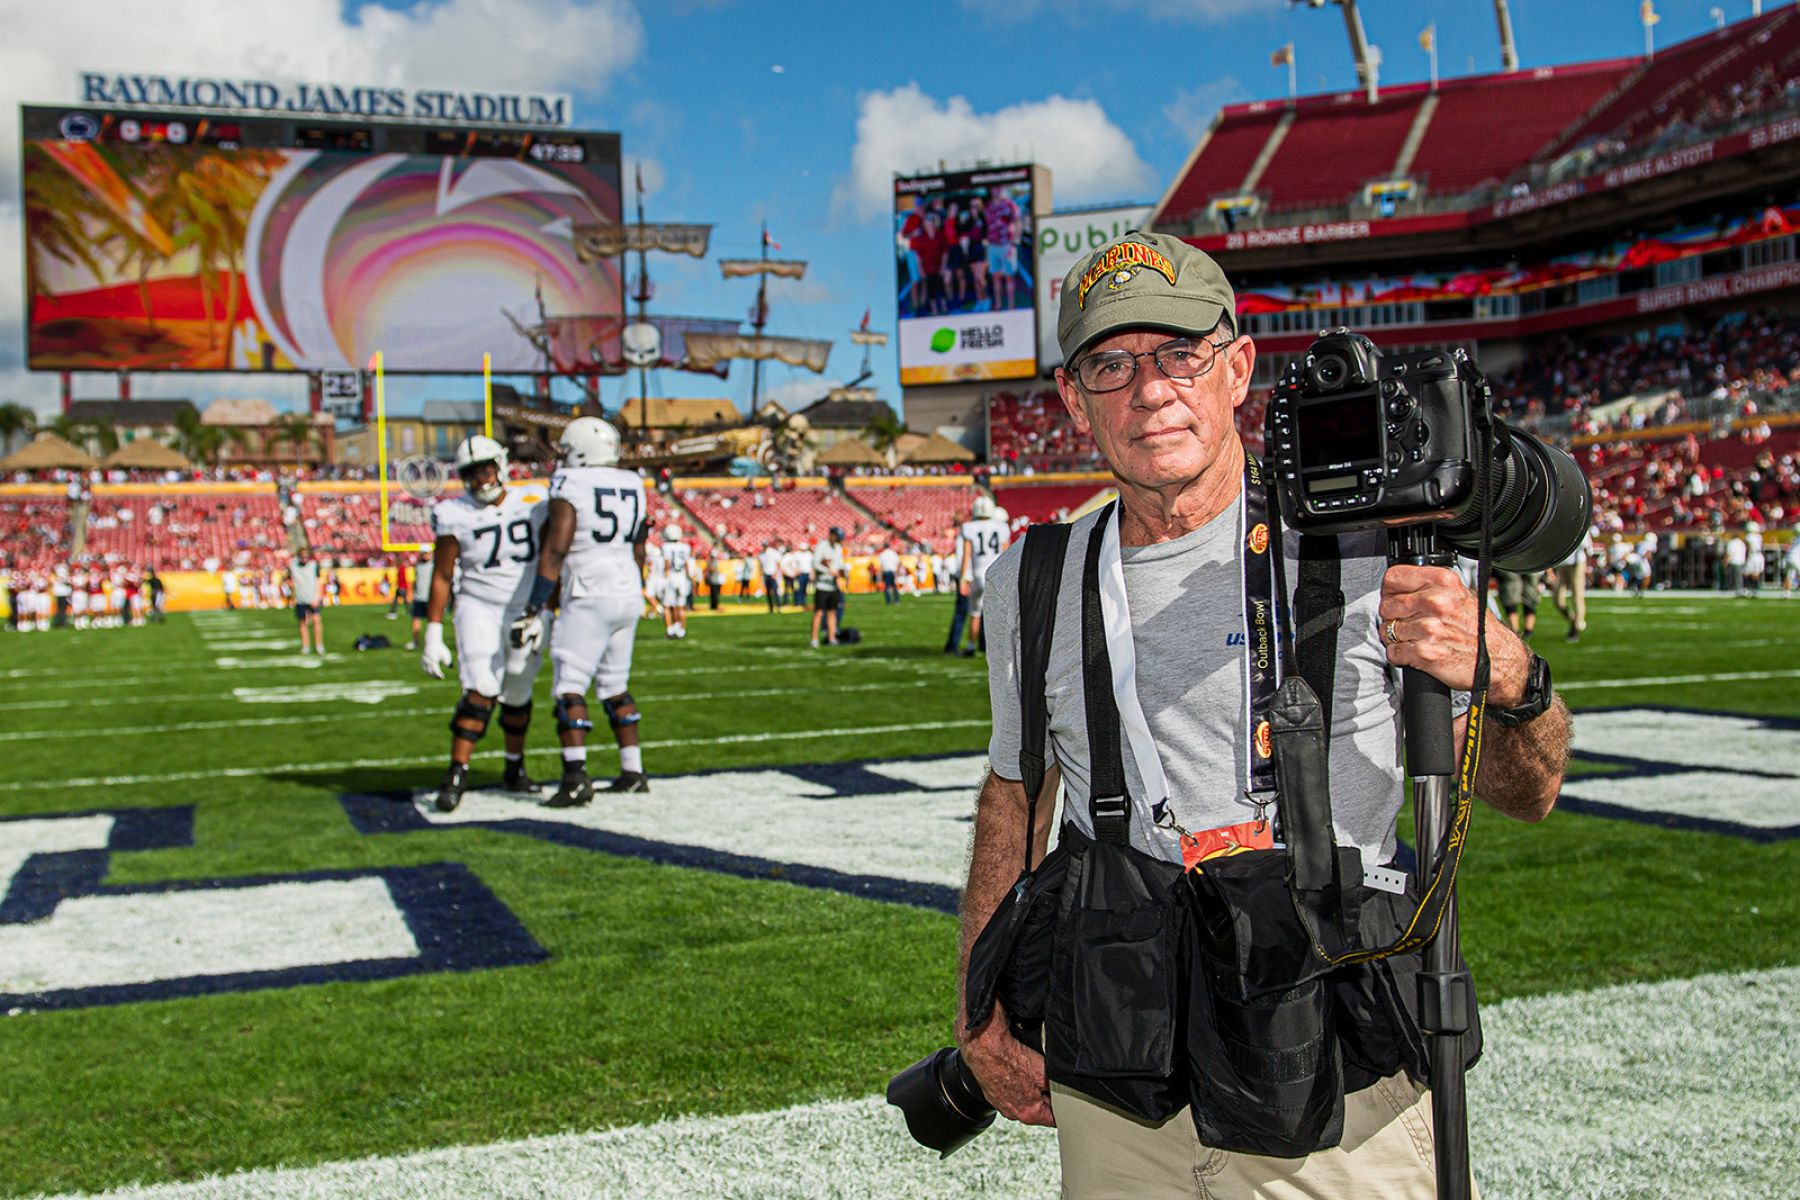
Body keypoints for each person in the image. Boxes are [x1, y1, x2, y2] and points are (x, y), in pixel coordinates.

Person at [957, 231, 1570, 1197]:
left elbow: (1529, 794)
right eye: (1110, 364)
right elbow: (1015, 795)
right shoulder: (1029, 581)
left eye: (1179, 355)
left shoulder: (1366, 547)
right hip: (1122, 1061)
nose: (1149, 389)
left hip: (1329, 1058)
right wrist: (978, 1005)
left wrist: (1511, 677)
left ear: (1236, 368)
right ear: (1073, 401)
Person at [509, 416, 651, 803]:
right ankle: (633, 770)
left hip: (589, 590)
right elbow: (639, 545)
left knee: (569, 685)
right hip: (627, 588)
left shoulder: (571, 483)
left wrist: (534, 606)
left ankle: (575, 777)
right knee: (615, 685)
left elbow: (556, 547)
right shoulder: (633, 483)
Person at [419, 435, 550, 812]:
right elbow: (442, 575)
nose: (481, 478)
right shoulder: (453, 512)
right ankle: (457, 771)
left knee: (519, 690)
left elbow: (555, 553)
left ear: (502, 465)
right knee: (481, 687)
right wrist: (432, 632)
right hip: (478, 607)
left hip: (524, 609)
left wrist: (545, 609)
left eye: (487, 468)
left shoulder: (535, 501)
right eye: (472, 472)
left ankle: (514, 768)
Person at [957, 494, 1011, 655]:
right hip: (996, 574)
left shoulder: (969, 527)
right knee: (998, 614)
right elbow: (1007, 553)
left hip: (978, 574)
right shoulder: (1001, 527)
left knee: (975, 613)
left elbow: (966, 555)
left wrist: (963, 578)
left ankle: (971, 647)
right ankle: (998, 647)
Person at [1549, 526, 1591, 643]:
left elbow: (1587, 548)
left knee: (1577, 597)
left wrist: (1586, 567)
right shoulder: (1560, 524)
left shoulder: (1580, 524)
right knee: (1557, 600)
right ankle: (1574, 620)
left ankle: (1575, 630)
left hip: (1577, 564)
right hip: (1562, 565)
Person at [810, 526, 848, 648]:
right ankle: (814, 639)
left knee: (832, 613)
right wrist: (829, 571)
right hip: (822, 586)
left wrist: (842, 572)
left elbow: (839, 564)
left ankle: (832, 638)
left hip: (833, 586)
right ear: (831, 535)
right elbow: (815, 563)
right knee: (819, 613)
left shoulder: (838, 548)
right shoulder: (822, 546)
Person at [659, 525, 692, 638]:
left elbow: (667, 565)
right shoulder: (686, 547)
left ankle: (670, 630)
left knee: (667, 606)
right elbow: (687, 566)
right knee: (681, 606)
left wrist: (664, 579)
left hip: (671, 576)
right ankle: (681, 629)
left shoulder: (666, 546)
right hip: (682, 577)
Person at [289, 550, 325, 654]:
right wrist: (293, 596)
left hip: (312, 597)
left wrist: (317, 597)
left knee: (316, 620)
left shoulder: (314, 566)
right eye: (302, 557)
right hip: (300, 598)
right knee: (303, 622)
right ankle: (305, 646)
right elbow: (289, 580)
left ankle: (319, 645)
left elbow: (319, 582)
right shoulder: (293, 566)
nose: (304, 559)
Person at [1495, 567, 1538, 641]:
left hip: (1510, 559)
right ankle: (1528, 631)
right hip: (1531, 559)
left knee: (1511, 587)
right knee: (1530, 590)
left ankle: (1516, 631)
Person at [405, 551, 431, 651]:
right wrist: (410, 593)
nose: (425, 555)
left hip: (430, 598)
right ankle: (415, 641)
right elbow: (415, 581)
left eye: (427, 553)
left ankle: (431, 641)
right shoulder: (418, 566)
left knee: (432, 621)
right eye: (424, 553)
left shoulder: (434, 565)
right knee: (416, 619)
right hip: (419, 597)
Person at [759, 541, 783, 612]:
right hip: (766, 575)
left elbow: (778, 563)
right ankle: (771, 607)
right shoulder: (761, 555)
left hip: (773, 574)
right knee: (768, 593)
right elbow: (761, 566)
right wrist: (761, 574)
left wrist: (775, 574)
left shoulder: (773, 553)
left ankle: (778, 607)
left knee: (775, 592)